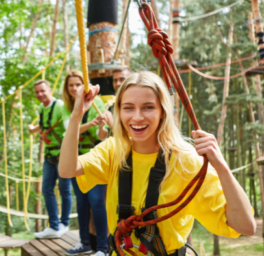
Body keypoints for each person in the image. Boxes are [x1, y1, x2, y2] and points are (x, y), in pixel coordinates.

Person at [59, 71, 256, 256]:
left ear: (163, 111)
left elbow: (245, 226)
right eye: (128, 108)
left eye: (148, 107)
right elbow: (67, 169)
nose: (137, 117)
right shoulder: (114, 150)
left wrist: (220, 165)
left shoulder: (185, 161)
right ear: (119, 111)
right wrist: (77, 114)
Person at [61, 70, 109, 256]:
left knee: (97, 202)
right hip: (76, 160)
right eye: (71, 85)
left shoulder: (96, 102)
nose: (74, 88)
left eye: (78, 84)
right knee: (81, 203)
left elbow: (102, 136)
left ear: (84, 86)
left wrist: (101, 125)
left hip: (94, 159)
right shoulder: (67, 106)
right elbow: (69, 131)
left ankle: (103, 248)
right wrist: (89, 123)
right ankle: (85, 243)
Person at [28, 79, 72, 239]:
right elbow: (44, 125)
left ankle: (63, 224)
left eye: (42, 91)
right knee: (47, 189)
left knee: (64, 189)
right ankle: (54, 225)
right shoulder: (41, 108)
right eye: (37, 92)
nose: (40, 94)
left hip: (62, 154)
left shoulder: (60, 106)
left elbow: (69, 127)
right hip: (49, 154)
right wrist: (34, 130)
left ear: (49, 90)